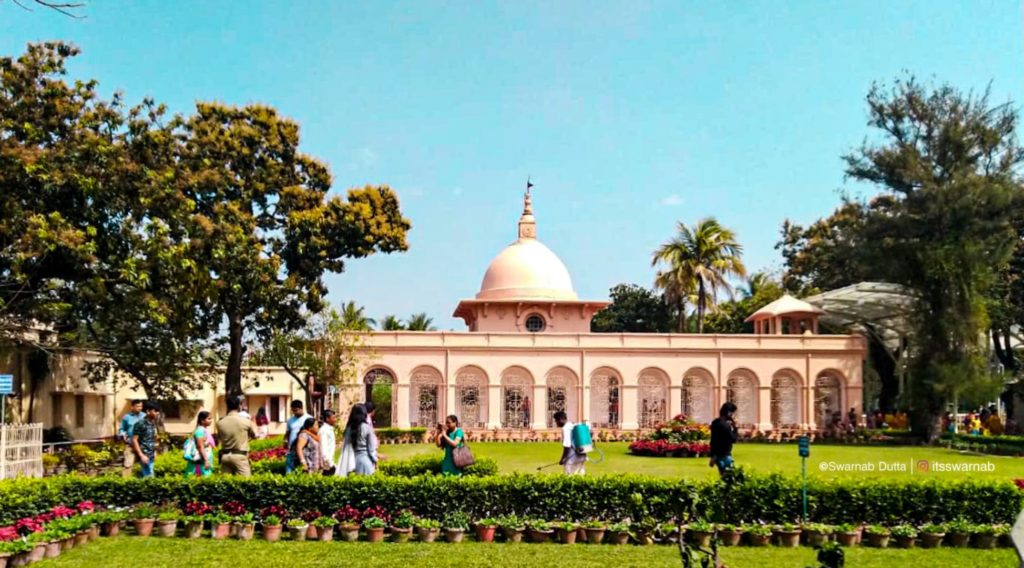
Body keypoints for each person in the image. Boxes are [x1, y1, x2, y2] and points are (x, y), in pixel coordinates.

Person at [217, 395, 257, 476]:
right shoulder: (246, 421)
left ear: (227, 406)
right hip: (240, 456)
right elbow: (255, 435)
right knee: (246, 484)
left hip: (225, 457)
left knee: (226, 485)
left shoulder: (220, 423)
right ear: (239, 405)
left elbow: (220, 438)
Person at [343, 404, 377, 475]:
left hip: (350, 463)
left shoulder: (348, 429)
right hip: (365, 461)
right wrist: (375, 460)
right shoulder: (366, 428)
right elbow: (371, 450)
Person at [131, 401, 160, 478]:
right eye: (155, 411)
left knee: (147, 477)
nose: (157, 413)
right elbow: (134, 440)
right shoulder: (140, 424)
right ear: (148, 411)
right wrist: (141, 455)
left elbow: (153, 439)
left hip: (151, 455)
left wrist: (155, 451)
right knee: (149, 478)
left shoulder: (152, 424)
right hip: (144, 455)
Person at [709, 402, 739, 476]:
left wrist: (713, 456)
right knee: (729, 477)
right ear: (729, 413)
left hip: (717, 455)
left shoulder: (715, 422)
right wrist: (735, 428)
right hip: (725, 455)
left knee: (722, 475)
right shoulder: (725, 426)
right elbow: (733, 439)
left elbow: (713, 440)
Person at [553, 411, 586, 475]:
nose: (556, 422)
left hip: (571, 458)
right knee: (581, 477)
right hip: (581, 455)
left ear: (561, 419)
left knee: (569, 478)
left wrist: (563, 459)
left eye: (556, 420)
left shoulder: (565, 428)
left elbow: (567, 445)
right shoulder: (572, 425)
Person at [118, 400, 145, 478]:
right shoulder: (127, 417)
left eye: (141, 406)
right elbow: (122, 429)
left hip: (142, 445)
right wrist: (122, 434)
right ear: (132, 407)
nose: (139, 408)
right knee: (128, 465)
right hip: (130, 445)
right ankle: (126, 483)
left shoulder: (144, 416)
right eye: (137, 406)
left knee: (143, 465)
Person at [185, 411, 214, 477]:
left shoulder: (203, 430)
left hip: (201, 460)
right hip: (200, 461)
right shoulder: (200, 431)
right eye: (209, 419)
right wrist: (206, 460)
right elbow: (200, 446)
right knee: (202, 478)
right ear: (202, 420)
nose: (211, 421)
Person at [284, 400, 310, 473]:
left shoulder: (308, 419)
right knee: (289, 471)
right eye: (293, 410)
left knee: (304, 471)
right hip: (292, 449)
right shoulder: (290, 420)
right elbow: (287, 432)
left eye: (296, 410)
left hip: (304, 449)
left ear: (301, 408)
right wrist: (285, 440)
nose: (294, 412)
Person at [319, 409, 338, 475]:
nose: (335, 419)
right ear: (327, 419)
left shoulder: (329, 429)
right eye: (333, 417)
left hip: (330, 463)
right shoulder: (324, 430)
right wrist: (330, 464)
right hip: (327, 466)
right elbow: (323, 448)